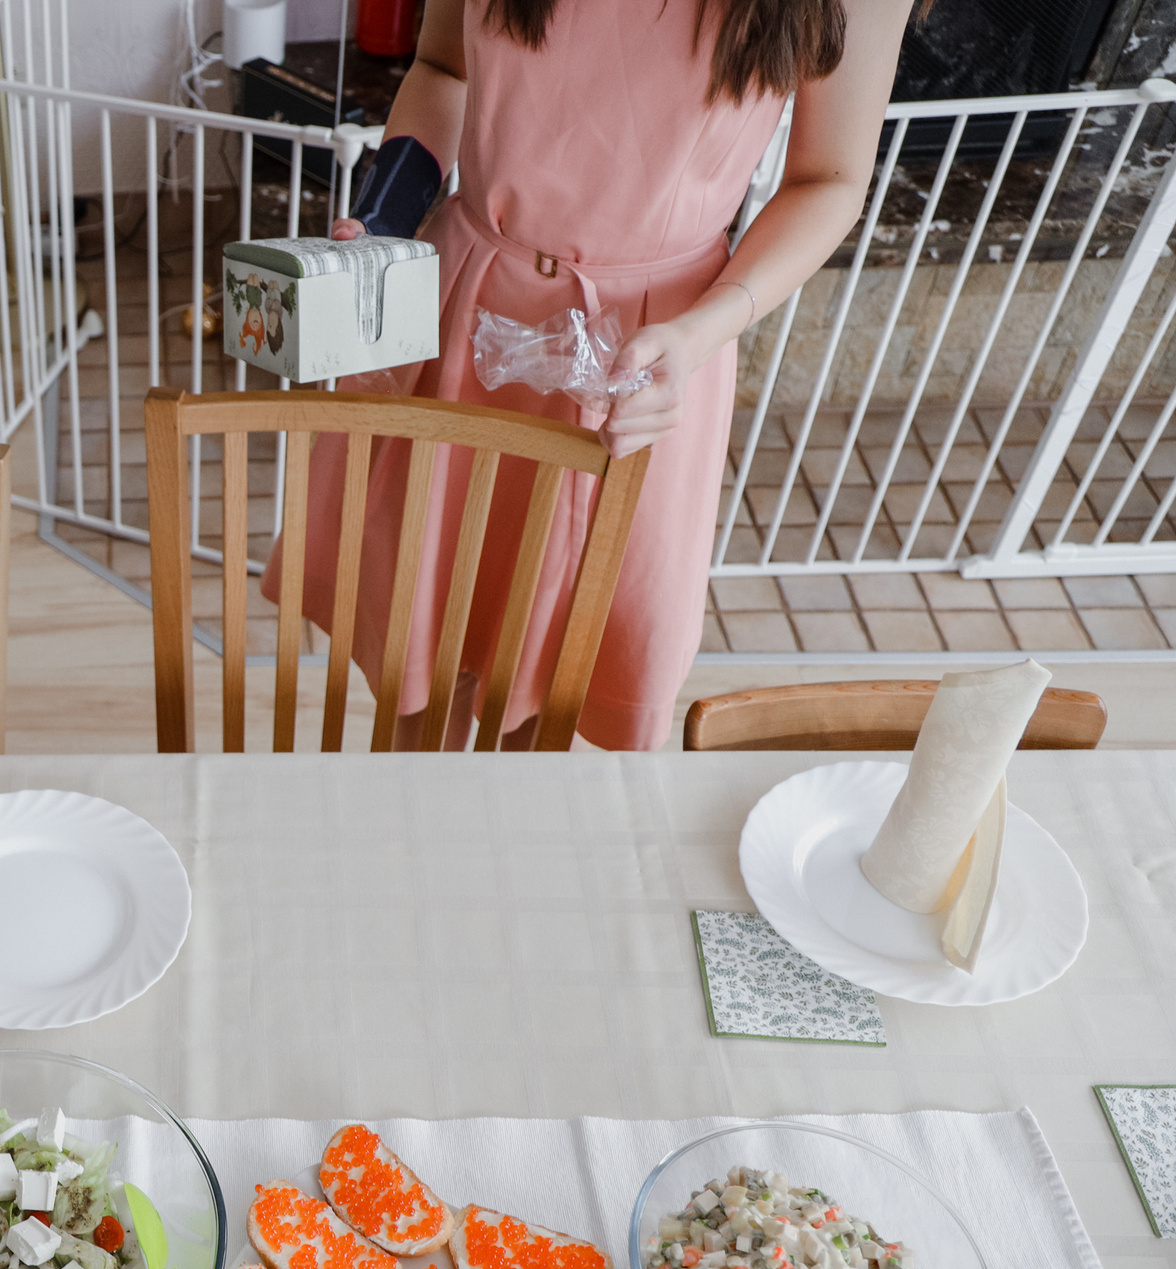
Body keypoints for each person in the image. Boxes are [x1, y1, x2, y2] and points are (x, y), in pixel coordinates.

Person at [264, 0, 910, 749]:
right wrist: (384, 213)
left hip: (649, 350)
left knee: (553, 686)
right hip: (466, 297)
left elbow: (828, 179)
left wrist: (700, 333)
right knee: (418, 664)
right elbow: (443, 67)